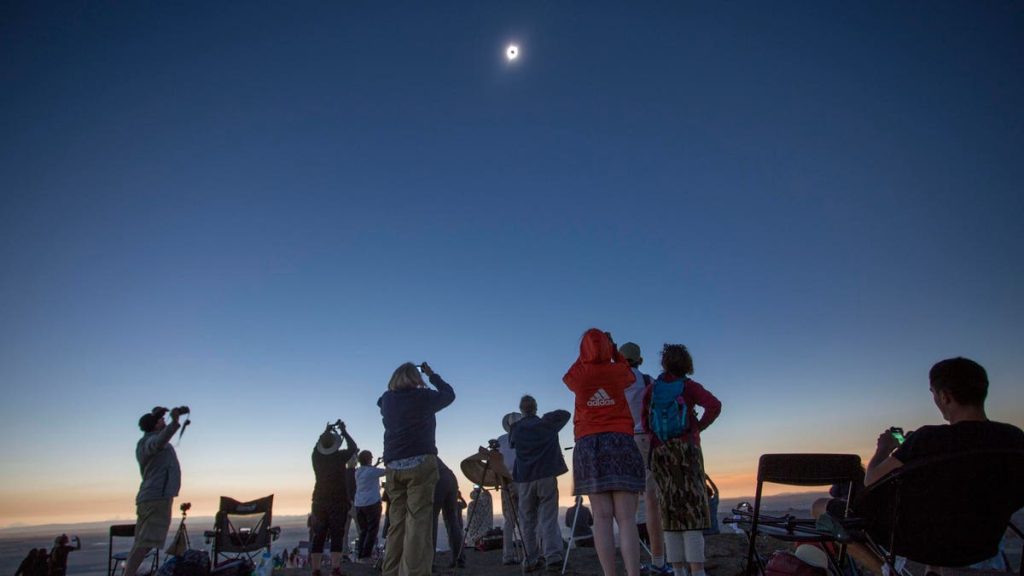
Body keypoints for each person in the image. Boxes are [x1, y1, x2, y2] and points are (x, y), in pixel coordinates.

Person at [816, 357, 1024, 573]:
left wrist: (884, 449)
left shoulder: (927, 439)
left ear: (944, 396)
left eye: (933, 393)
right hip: (983, 541)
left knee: (821, 507)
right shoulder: (1014, 439)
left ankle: (885, 571)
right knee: (945, 504)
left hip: (918, 541)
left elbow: (871, 480)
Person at [563, 329, 645, 576]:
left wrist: (587, 354)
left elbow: (568, 377)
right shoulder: (618, 371)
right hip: (620, 440)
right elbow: (630, 376)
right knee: (627, 519)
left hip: (589, 444)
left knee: (601, 517)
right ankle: (633, 573)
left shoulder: (579, 375)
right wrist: (613, 351)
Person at [642, 344, 721, 576]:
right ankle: (697, 571)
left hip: (661, 453)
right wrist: (697, 428)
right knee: (692, 511)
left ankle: (678, 571)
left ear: (664, 364)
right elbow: (714, 406)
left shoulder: (652, 390)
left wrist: (659, 440)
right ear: (686, 364)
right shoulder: (688, 386)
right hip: (687, 451)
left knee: (669, 512)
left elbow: (645, 422)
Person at [378, 361, 455, 576]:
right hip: (420, 462)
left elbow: (379, 402)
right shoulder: (423, 397)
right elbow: (449, 394)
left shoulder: (386, 400)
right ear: (415, 378)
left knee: (397, 524)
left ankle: (390, 571)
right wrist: (431, 375)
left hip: (393, 465)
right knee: (418, 524)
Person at [619, 342, 670, 575]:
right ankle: (658, 561)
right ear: (638, 359)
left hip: (621, 441)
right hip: (646, 439)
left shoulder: (614, 382)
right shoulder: (648, 381)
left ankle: (632, 565)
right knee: (652, 500)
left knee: (626, 504)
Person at [510, 395, 571, 571]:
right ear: (536, 407)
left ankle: (531, 559)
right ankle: (552, 556)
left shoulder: (516, 428)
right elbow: (565, 414)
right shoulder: (547, 423)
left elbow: (512, 443)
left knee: (527, 520)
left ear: (521, 410)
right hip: (546, 475)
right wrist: (544, 417)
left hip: (525, 479)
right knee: (548, 517)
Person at [125, 406, 188, 576]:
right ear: (153, 426)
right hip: (156, 498)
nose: (163, 422)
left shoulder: (146, 442)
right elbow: (160, 440)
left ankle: (129, 573)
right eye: (160, 421)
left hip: (152, 497)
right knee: (145, 543)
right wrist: (174, 422)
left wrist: (159, 415)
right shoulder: (149, 442)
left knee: (142, 542)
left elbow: (160, 435)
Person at [310, 420, 358, 576]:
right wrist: (344, 431)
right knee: (337, 533)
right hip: (338, 501)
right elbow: (353, 447)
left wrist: (325, 432)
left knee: (319, 535)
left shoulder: (316, 457)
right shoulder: (339, 457)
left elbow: (317, 446)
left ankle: (316, 570)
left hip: (319, 500)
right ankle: (335, 569)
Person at [497, 412, 523, 565]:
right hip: (523, 480)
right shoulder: (526, 437)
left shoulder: (500, 440)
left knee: (509, 521)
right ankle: (530, 553)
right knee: (527, 517)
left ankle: (507, 555)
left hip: (505, 482)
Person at [431, 459, 465, 568]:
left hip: (438, 478)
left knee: (431, 520)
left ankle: (429, 562)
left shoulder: (417, 452)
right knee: (452, 519)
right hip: (451, 478)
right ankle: (459, 558)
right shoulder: (429, 451)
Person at [354, 450, 386, 563]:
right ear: (368, 459)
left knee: (363, 531)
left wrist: (376, 464)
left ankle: (360, 555)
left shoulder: (357, 472)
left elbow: (369, 471)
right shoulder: (372, 472)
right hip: (372, 504)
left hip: (359, 505)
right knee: (372, 530)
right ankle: (366, 556)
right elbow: (387, 471)